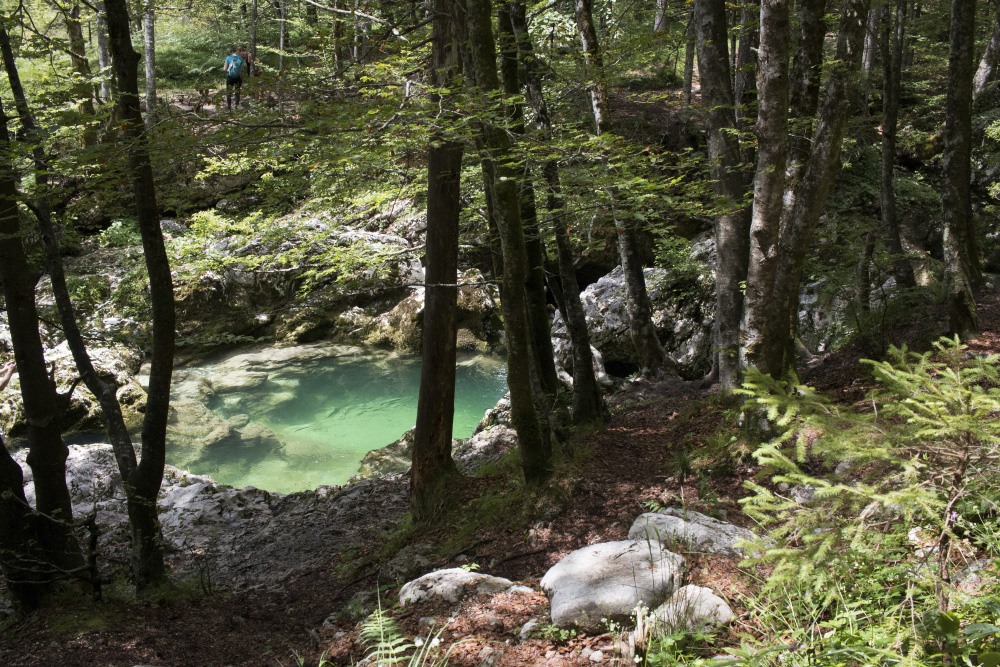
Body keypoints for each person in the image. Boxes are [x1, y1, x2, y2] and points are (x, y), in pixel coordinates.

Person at [224, 46, 244, 111]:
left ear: (231, 52)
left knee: (229, 93)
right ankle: (236, 107)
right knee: (237, 93)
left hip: (230, 78)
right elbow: (242, 70)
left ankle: (229, 108)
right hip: (238, 78)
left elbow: (225, 69)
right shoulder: (240, 59)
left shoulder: (228, 58)